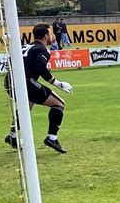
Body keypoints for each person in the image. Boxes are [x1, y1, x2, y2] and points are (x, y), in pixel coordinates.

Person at [4, 23, 73, 153]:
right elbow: (41, 67)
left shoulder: (25, 46)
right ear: (46, 36)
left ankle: (12, 136)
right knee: (59, 104)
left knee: (27, 106)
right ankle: (52, 138)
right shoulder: (43, 50)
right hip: (25, 82)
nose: (52, 36)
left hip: (9, 81)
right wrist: (57, 83)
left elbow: (9, 62)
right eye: (50, 33)